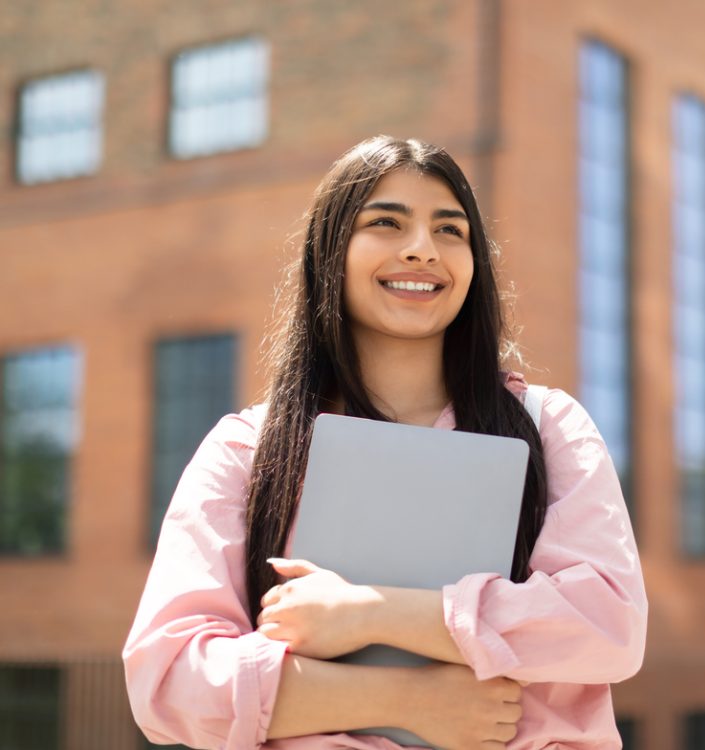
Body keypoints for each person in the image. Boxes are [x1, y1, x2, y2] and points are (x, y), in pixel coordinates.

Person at [123, 136, 648, 750]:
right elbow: (167, 680)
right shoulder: (248, 450)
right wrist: (410, 700)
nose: (423, 249)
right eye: (385, 222)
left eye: (450, 231)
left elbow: (609, 627)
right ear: (330, 253)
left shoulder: (548, 426)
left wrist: (368, 614)